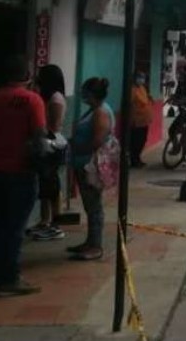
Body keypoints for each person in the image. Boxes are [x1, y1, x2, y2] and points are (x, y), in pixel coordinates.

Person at [0, 55, 47, 296]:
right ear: (26, 76)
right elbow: (39, 136)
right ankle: (10, 278)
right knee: (15, 227)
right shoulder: (32, 100)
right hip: (21, 172)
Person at [68, 77, 114, 261]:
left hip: (91, 166)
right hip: (83, 163)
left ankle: (96, 246)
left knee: (94, 205)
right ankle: (90, 241)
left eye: (85, 93)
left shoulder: (100, 113)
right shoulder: (94, 110)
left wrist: (77, 148)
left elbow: (97, 140)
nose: (83, 96)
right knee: (90, 205)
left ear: (92, 95)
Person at [29, 64, 68, 241]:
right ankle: (45, 220)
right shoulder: (44, 96)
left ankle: (56, 224)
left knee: (52, 186)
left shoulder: (56, 98)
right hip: (44, 143)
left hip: (52, 145)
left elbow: (54, 125)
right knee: (45, 186)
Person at [129, 71, 153, 168]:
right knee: (136, 141)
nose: (141, 80)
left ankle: (138, 158)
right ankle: (134, 160)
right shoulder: (132, 90)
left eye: (143, 78)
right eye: (139, 78)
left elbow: (146, 99)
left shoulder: (142, 88)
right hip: (136, 121)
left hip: (144, 121)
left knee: (142, 140)